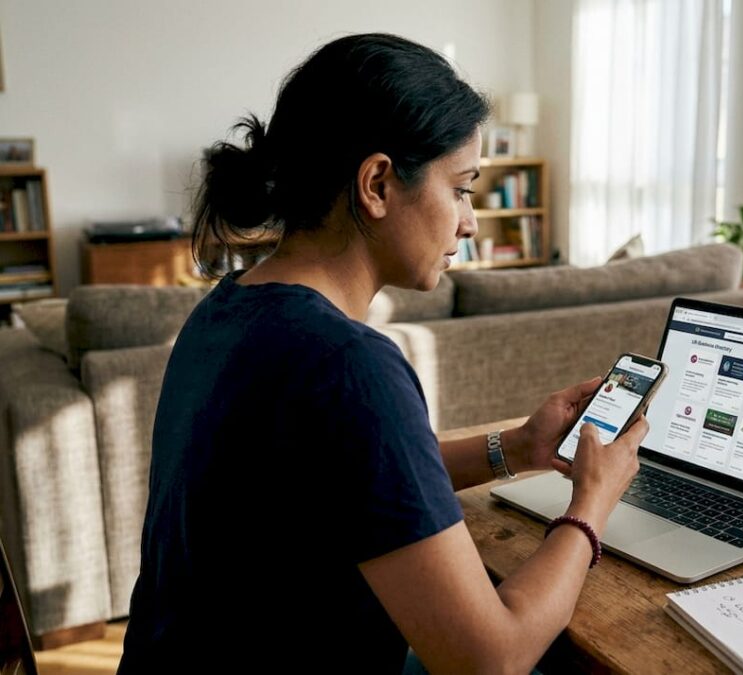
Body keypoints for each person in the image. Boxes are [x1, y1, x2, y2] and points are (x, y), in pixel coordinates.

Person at [117, 33, 646, 674]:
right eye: (461, 188)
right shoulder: (348, 365)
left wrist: (518, 447)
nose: (470, 222)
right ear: (377, 184)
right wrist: (591, 504)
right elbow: (491, 659)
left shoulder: (228, 309)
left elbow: (358, 477)